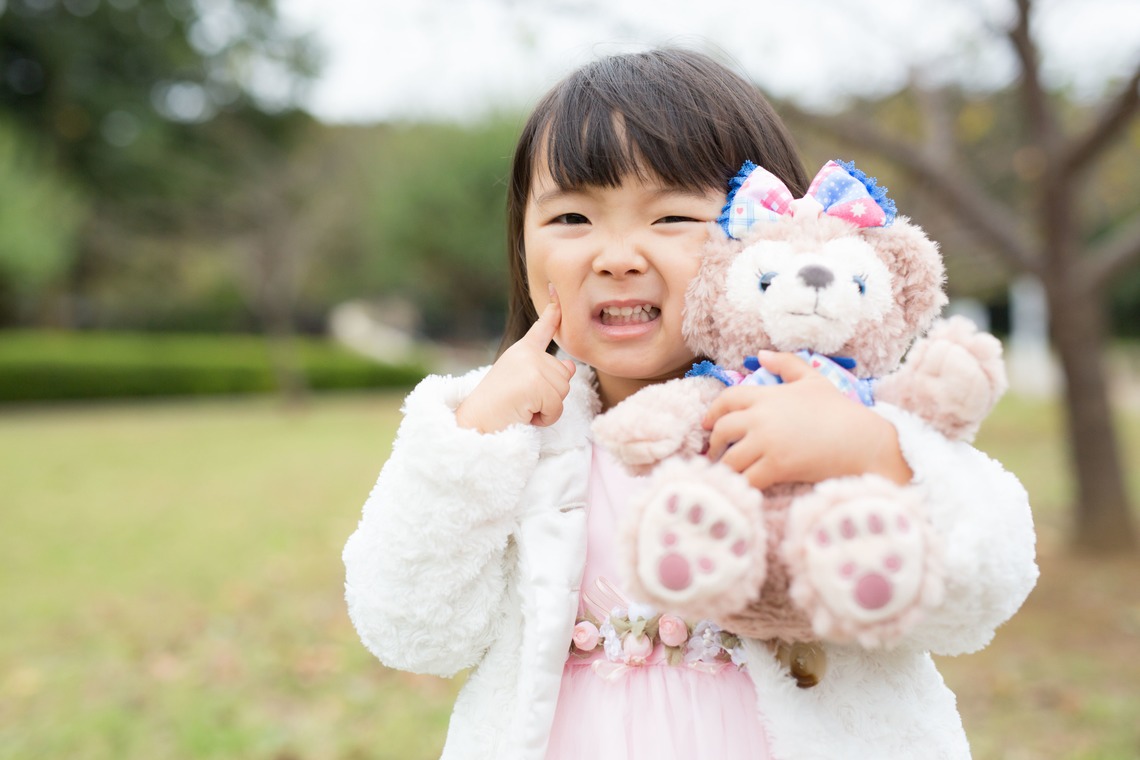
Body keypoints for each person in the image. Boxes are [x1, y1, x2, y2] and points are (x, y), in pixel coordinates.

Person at [343, 48, 1038, 760]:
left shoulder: (837, 413)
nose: (616, 256)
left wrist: (878, 456)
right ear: (521, 243)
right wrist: (471, 442)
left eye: (672, 216)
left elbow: (987, 589)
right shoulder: (514, 436)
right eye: (573, 219)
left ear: (766, 236)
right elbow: (409, 629)